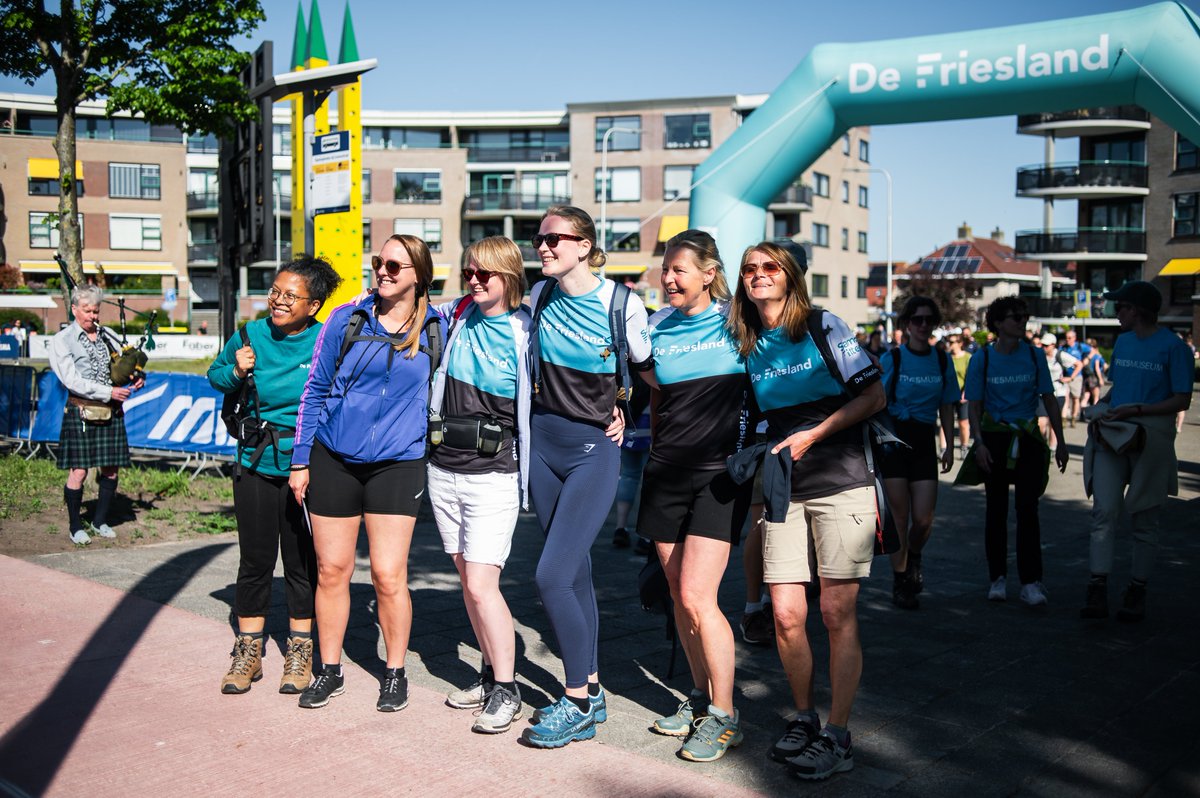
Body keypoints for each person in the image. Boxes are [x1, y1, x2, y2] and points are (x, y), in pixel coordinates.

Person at [727, 241, 885, 781]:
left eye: (770, 268)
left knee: (836, 613)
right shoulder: (746, 342)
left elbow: (874, 397)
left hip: (842, 481)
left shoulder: (823, 326)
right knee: (787, 615)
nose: (759, 276)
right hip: (782, 489)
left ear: (790, 276)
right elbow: (748, 414)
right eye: (749, 269)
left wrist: (816, 433)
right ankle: (803, 717)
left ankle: (838, 736)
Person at [289, 234, 447, 712]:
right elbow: (314, 388)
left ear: (418, 276)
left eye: (395, 266)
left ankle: (394, 672)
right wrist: (300, 459)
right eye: (379, 262)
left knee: (387, 574)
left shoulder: (439, 327)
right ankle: (329, 670)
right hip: (333, 457)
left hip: (398, 463)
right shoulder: (348, 318)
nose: (382, 271)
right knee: (332, 570)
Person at [523, 205, 652, 748]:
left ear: (584, 244)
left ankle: (575, 699)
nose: (543, 247)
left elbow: (648, 377)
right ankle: (593, 687)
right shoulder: (539, 297)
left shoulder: (622, 304)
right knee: (575, 572)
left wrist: (628, 412)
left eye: (554, 239)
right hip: (542, 446)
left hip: (591, 452)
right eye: (539, 239)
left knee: (550, 575)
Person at [638, 230, 753, 762]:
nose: (669, 279)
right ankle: (701, 696)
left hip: (719, 478)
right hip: (665, 474)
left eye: (680, 269)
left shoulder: (740, 322)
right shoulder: (655, 327)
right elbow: (653, 399)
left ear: (709, 273)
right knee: (676, 594)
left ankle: (726, 715)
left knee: (696, 596)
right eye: (665, 270)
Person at [207, 257, 342, 695]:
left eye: (290, 296)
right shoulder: (249, 335)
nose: (278, 301)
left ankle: (301, 648)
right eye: (275, 292)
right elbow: (216, 376)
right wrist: (236, 370)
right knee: (256, 559)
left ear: (314, 304)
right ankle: (249, 649)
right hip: (254, 462)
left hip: (307, 466)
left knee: (302, 563)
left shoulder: (327, 339)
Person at [428, 236, 532, 734]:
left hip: (493, 474)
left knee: (480, 583)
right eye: (468, 271)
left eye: (483, 274)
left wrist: (614, 412)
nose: (473, 280)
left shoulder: (526, 329)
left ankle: (509, 690)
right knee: (467, 586)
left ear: (508, 276)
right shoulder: (456, 315)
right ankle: (490, 675)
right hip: (443, 467)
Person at [1080, 281, 1192, 623]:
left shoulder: (1174, 348)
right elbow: (1118, 388)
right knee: (1104, 512)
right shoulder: (1124, 342)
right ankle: (1098, 586)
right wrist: (1102, 406)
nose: (1115, 312)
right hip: (1114, 434)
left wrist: (1137, 410)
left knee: (1145, 519)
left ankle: (1136, 589)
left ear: (1136, 310)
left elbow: (1182, 399)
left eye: (1120, 306)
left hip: (1151, 437)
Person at [963, 297, 1069, 606]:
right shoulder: (982, 358)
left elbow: (1049, 399)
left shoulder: (1035, 356)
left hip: (1028, 438)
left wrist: (1060, 441)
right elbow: (975, 405)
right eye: (1014, 317)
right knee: (996, 510)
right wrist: (978, 443)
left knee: (1028, 511)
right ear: (997, 323)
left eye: (1024, 316)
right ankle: (997, 578)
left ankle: (1031, 582)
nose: (1021, 321)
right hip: (995, 438)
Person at [879, 297, 960, 610]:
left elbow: (948, 405)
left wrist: (950, 444)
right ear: (907, 324)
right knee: (899, 517)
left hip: (926, 441)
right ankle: (901, 580)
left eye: (928, 320)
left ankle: (914, 555)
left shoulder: (941, 360)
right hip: (896, 441)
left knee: (924, 520)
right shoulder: (894, 358)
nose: (923, 325)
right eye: (917, 320)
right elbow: (876, 399)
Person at [49, 285, 145, 545]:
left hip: (111, 412)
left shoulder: (107, 334)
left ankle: (100, 521)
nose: (93, 316)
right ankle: (75, 525)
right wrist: (109, 392)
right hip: (82, 410)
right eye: (87, 311)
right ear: (74, 310)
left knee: (111, 470)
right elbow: (71, 380)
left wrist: (137, 377)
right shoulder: (63, 340)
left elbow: (126, 362)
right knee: (79, 471)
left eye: (96, 311)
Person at [1036, 333, 1078, 448]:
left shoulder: (1060, 355)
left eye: (1046, 345)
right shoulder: (1039, 355)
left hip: (1058, 393)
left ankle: (1052, 448)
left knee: (1053, 423)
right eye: (1042, 345)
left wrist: (1070, 378)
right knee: (1041, 423)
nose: (1044, 347)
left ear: (1053, 345)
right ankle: (1043, 446)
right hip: (1042, 394)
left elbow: (1078, 364)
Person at [1060, 329, 1094, 427]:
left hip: (1077, 377)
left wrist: (1087, 359)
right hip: (1065, 376)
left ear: (1074, 338)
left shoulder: (1080, 346)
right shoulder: (1063, 348)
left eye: (1069, 338)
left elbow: (1092, 351)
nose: (1067, 340)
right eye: (1066, 338)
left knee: (1076, 398)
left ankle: (1074, 418)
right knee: (1066, 398)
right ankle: (1064, 419)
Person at [946, 332, 972, 459]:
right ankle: (943, 448)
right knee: (947, 420)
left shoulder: (968, 357)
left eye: (952, 342)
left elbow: (970, 376)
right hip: (949, 394)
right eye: (948, 342)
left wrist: (965, 392)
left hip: (963, 394)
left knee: (963, 423)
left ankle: (964, 447)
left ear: (960, 343)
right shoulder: (946, 357)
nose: (949, 344)